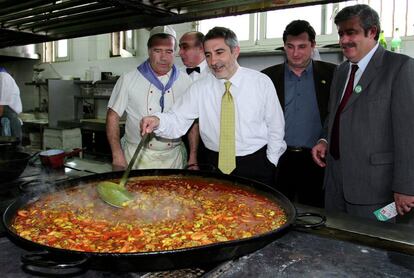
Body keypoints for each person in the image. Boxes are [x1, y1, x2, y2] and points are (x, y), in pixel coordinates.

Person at [141, 26, 286, 187]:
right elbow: (177, 118)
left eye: (219, 52)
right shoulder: (199, 88)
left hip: (255, 164)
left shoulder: (260, 82)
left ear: (235, 51)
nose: (213, 61)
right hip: (213, 165)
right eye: (208, 55)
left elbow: (276, 126)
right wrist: (157, 120)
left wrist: (271, 162)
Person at [311, 4, 414, 223]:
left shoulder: (400, 68)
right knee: (336, 246)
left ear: (372, 32)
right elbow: (335, 115)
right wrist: (324, 139)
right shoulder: (340, 71)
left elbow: (408, 134)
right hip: (335, 182)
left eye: (351, 33)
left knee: (372, 254)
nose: (344, 40)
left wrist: (406, 187)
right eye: (341, 33)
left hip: (376, 189)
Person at [262, 20, 336, 208]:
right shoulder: (266, 78)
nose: (295, 53)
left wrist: (325, 140)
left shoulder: (332, 74)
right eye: (290, 47)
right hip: (278, 158)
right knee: (276, 210)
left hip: (316, 158)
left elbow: (336, 115)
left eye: (302, 46)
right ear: (284, 47)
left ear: (313, 45)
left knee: (315, 213)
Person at [106, 25, 192, 170]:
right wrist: (117, 154)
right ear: (149, 51)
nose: (163, 58)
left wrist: (193, 155)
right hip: (136, 157)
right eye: (157, 51)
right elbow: (112, 117)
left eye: (169, 51)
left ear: (175, 52)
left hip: (173, 159)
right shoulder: (128, 79)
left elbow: (192, 121)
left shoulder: (185, 81)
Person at [178, 31, 211, 169]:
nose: (179, 52)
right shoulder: (174, 74)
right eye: (180, 47)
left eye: (185, 47)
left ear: (201, 48)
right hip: (179, 138)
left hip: (209, 141)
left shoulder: (215, 74)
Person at [0, 66, 22, 141]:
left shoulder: (3, 77)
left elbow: (2, 102)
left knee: (12, 145)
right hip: (6, 114)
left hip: (10, 117)